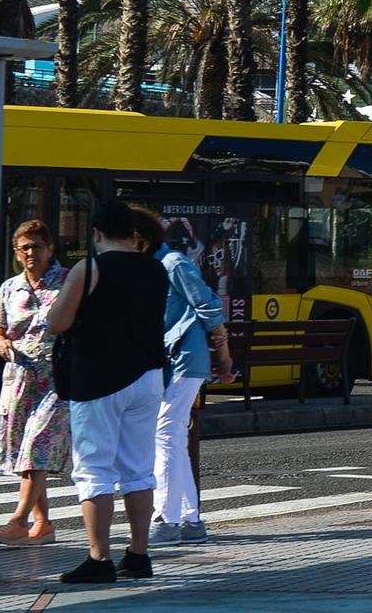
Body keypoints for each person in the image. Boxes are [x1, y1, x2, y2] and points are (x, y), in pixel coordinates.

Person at [46, 197, 170, 585]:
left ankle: (99, 558)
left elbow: (58, 322)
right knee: (138, 468)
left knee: (94, 469)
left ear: (96, 233)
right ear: (133, 234)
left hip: (98, 378)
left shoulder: (90, 267)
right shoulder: (156, 269)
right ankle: (138, 554)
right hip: (147, 376)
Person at [133, 207, 233, 545]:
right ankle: (191, 520)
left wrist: (223, 357)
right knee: (171, 436)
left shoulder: (172, 263)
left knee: (165, 433)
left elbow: (207, 304)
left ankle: (167, 519)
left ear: (138, 238)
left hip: (186, 360)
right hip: (168, 360)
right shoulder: (146, 267)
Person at [0, 220, 71, 546]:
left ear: (50, 248)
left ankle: (18, 520)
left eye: (36, 246)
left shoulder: (67, 281)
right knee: (25, 453)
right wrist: (0, 343)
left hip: (56, 378)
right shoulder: (10, 288)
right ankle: (44, 523)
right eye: (24, 247)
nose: (30, 252)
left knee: (36, 446)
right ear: (16, 252)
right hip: (20, 379)